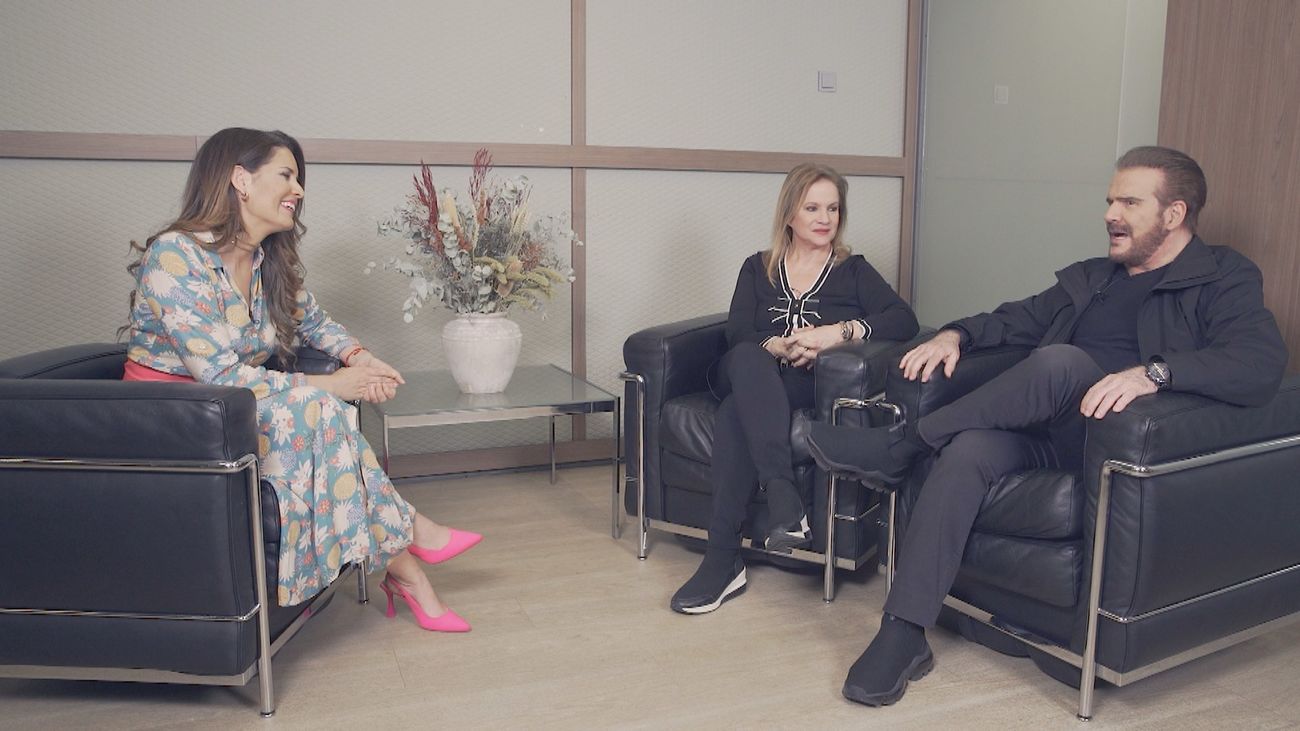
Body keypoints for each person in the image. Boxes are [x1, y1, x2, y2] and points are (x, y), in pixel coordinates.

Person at [806, 146, 1288, 706]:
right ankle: (902, 633)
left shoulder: (1222, 277)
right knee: (969, 450)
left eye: (1129, 203)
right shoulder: (1094, 278)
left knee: (1061, 362)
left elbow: (1259, 362)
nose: (1110, 214)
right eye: (1110, 200)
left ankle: (903, 446)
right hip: (1050, 432)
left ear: (1174, 214)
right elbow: (1017, 318)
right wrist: (956, 334)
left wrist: (1155, 373)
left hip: (1115, 446)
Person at [122, 128, 483, 632]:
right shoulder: (176, 255)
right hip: (176, 419)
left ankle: (409, 569)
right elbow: (219, 375)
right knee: (322, 405)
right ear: (241, 180)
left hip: (241, 406)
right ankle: (410, 546)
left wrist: (363, 361)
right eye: (286, 175)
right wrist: (335, 385)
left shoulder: (266, 260)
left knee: (324, 412)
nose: (299, 190)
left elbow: (315, 324)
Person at [669, 163, 920, 615]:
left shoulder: (853, 271)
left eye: (833, 209)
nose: (825, 218)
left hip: (804, 383)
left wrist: (836, 333)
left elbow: (903, 320)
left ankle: (722, 559)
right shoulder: (757, 267)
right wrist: (776, 345)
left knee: (735, 413)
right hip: (750, 369)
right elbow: (738, 332)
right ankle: (782, 492)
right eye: (812, 208)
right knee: (748, 357)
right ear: (789, 213)